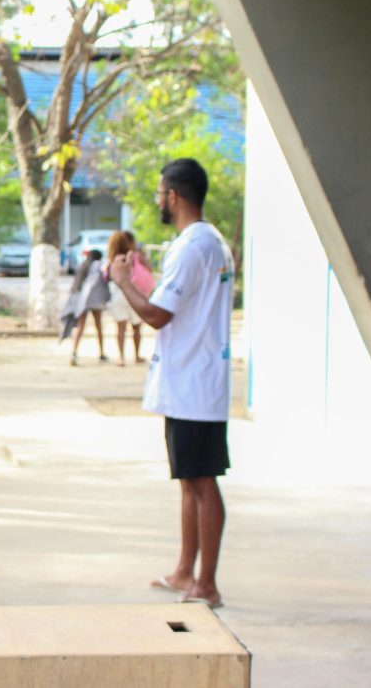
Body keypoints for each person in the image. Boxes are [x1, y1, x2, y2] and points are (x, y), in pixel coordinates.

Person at [109, 158, 234, 610]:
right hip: (190, 382)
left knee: (202, 482)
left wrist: (123, 280)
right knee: (188, 480)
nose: (159, 200)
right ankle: (185, 571)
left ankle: (207, 584)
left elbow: (157, 314)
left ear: (174, 196)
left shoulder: (193, 247)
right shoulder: (209, 242)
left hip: (194, 382)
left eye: (160, 193)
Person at [104, 230, 147, 366]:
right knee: (136, 327)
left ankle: (121, 357)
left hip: (117, 295)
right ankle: (137, 356)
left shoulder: (112, 260)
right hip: (131, 293)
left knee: (120, 328)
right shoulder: (131, 257)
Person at [61, 248, 110, 366]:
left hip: (83, 300)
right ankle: (101, 353)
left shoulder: (83, 266)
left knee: (80, 326)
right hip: (95, 300)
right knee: (98, 326)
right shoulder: (98, 265)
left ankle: (74, 352)